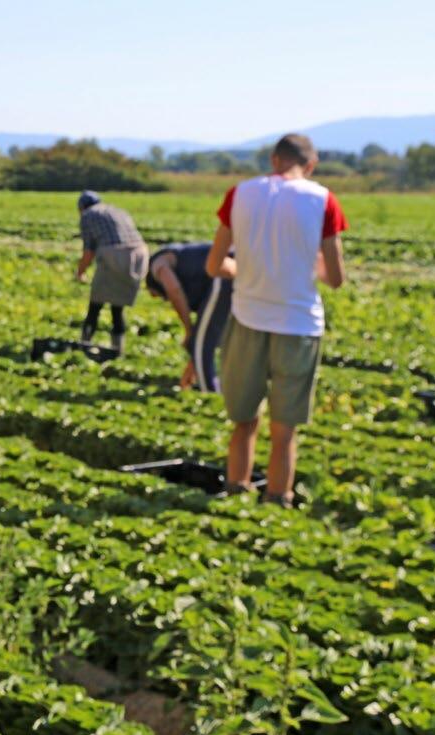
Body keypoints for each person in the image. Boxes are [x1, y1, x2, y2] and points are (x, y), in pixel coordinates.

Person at [206, 134, 348, 508]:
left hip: (247, 318)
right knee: (284, 430)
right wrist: (309, 265)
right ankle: (278, 498)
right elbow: (335, 277)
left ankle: (236, 489)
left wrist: (248, 269)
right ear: (311, 165)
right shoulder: (322, 199)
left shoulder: (240, 194)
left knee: (244, 420)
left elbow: (215, 264)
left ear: (273, 160)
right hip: (298, 324)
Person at [146, 242, 233, 392]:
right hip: (240, 269)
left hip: (225, 272)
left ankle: (209, 392)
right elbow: (204, 330)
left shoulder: (157, 263)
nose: (164, 300)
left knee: (202, 343)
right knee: (212, 341)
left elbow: (174, 290)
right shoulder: (197, 285)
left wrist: (189, 330)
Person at [74, 191, 149, 353]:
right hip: (139, 254)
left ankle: (84, 344)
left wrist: (80, 272)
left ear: (81, 207)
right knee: (118, 305)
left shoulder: (88, 215)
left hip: (114, 253)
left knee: (96, 302)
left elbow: (89, 252)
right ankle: (118, 349)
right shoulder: (117, 210)